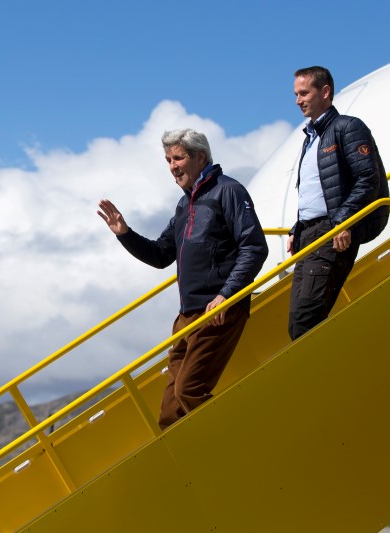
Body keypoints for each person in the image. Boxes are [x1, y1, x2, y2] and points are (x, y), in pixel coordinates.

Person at [98, 128, 269, 429]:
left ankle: (242, 435)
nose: (172, 166)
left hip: (217, 311)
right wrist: (125, 234)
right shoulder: (184, 205)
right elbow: (161, 255)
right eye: (168, 160)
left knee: (188, 390)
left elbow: (255, 247)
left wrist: (226, 296)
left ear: (200, 157)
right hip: (186, 316)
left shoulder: (227, 191)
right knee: (169, 413)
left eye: (178, 157)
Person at [287, 66, 389, 341]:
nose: (298, 100)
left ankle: (319, 380)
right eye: (296, 94)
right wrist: (298, 228)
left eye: (304, 93)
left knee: (305, 320)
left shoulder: (347, 127)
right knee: (299, 322)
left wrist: (343, 221)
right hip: (310, 234)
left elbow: (368, 178)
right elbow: (317, 191)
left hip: (331, 233)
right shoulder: (310, 139)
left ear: (325, 92)